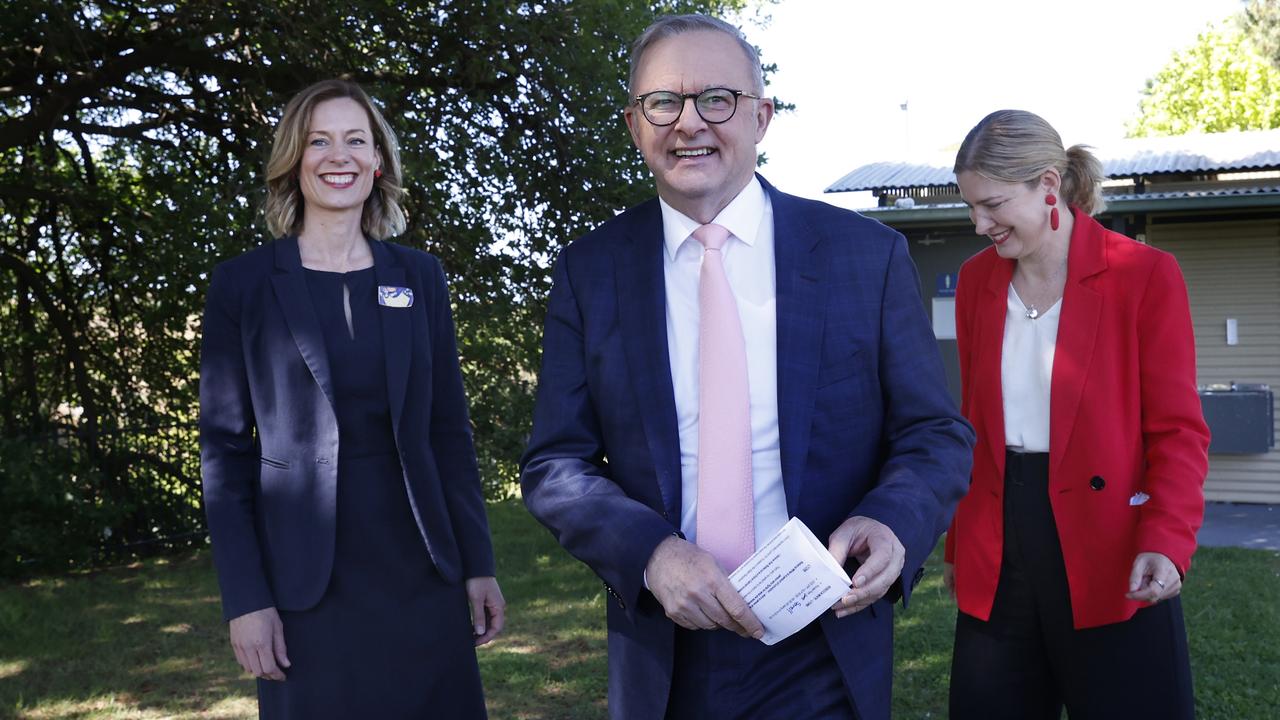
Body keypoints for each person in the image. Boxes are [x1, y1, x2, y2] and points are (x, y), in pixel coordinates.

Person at [519, 14, 974, 720]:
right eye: (663, 103)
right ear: (635, 126)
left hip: (825, 638)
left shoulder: (865, 257)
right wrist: (652, 555)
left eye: (717, 100)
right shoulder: (591, 272)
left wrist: (892, 523)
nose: (688, 123)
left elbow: (934, 434)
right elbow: (557, 463)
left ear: (761, 118)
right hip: (665, 648)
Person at [199, 79, 504, 718]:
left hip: (424, 573)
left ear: (377, 162)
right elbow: (224, 455)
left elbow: (449, 428)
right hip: (305, 587)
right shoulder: (243, 286)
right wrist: (246, 599)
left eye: (355, 141)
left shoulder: (420, 277)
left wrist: (479, 563)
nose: (338, 156)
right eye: (320, 141)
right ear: (295, 159)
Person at [945, 109, 1210, 720]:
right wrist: (962, 549)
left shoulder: (1143, 275)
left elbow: (1177, 430)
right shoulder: (975, 282)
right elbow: (971, 425)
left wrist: (1167, 540)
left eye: (992, 204)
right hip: (1001, 540)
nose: (979, 223)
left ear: (1046, 185)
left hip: (1112, 546)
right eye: (970, 206)